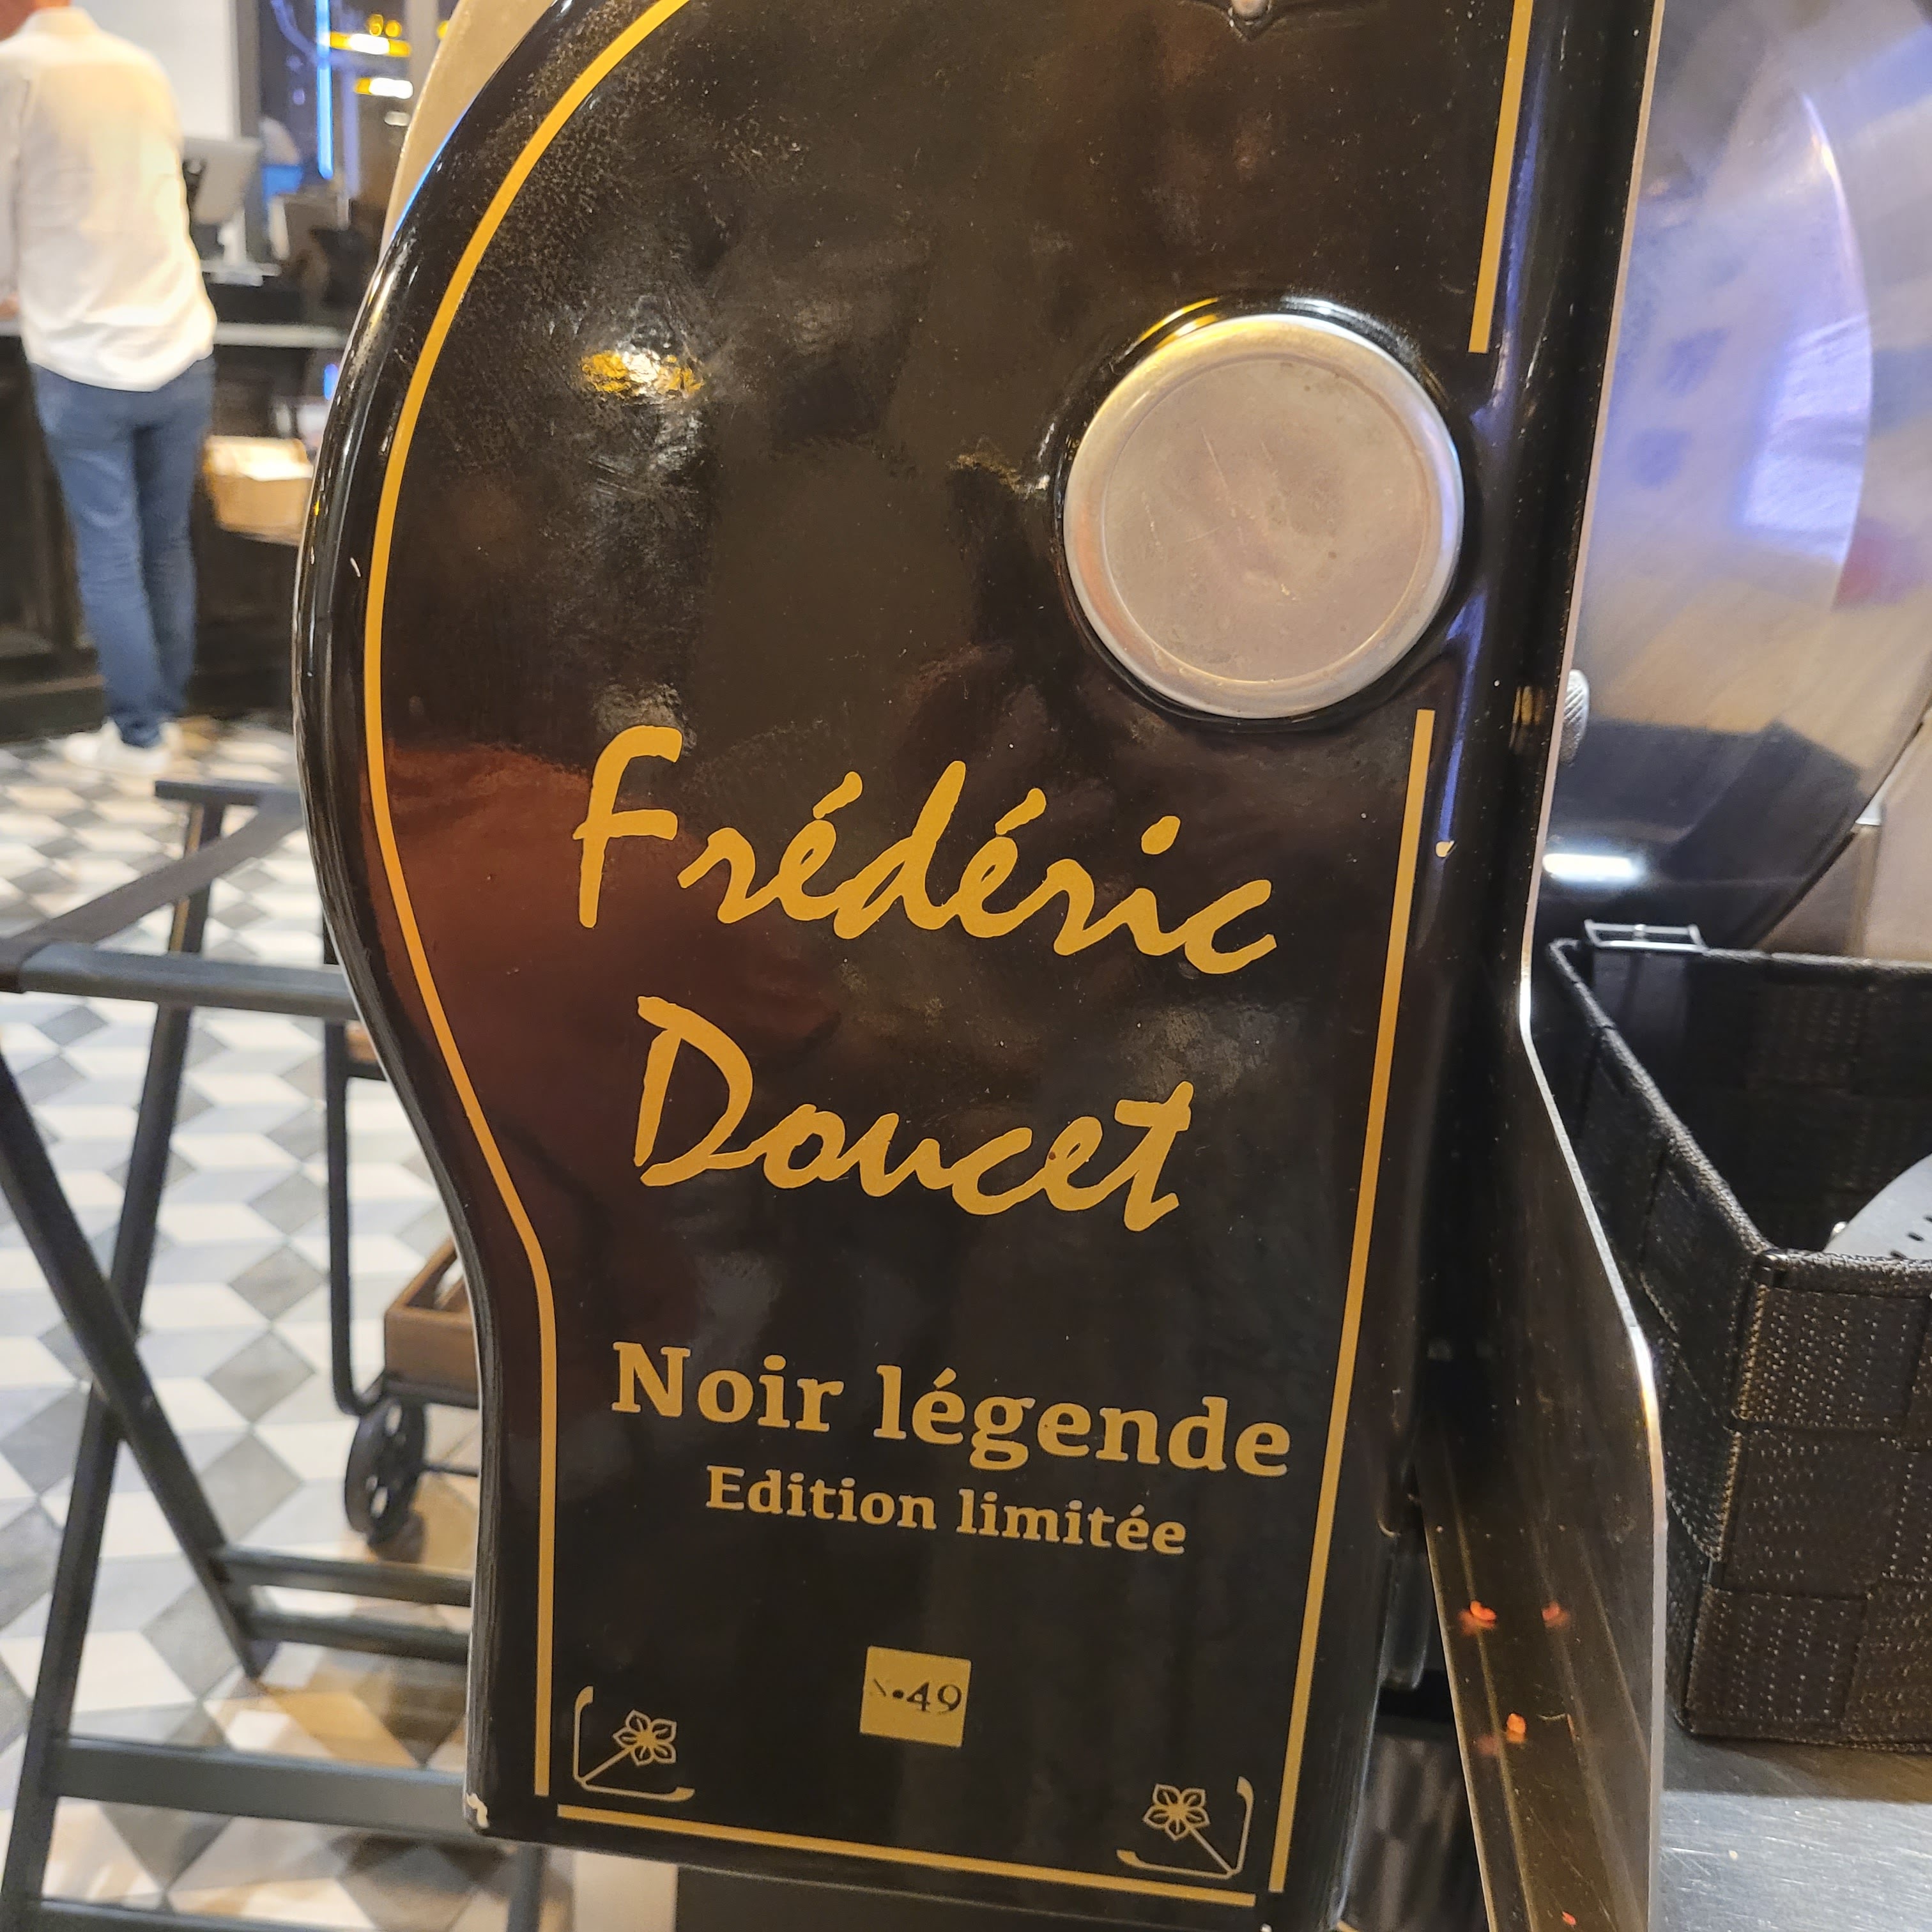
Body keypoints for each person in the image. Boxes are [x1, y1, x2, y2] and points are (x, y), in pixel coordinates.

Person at [0, 1, 217, 774]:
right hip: (180, 344)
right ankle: (168, 715)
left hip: (83, 358)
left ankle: (138, 734)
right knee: (166, 547)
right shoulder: (140, 68)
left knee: (110, 553)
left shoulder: (15, 72)